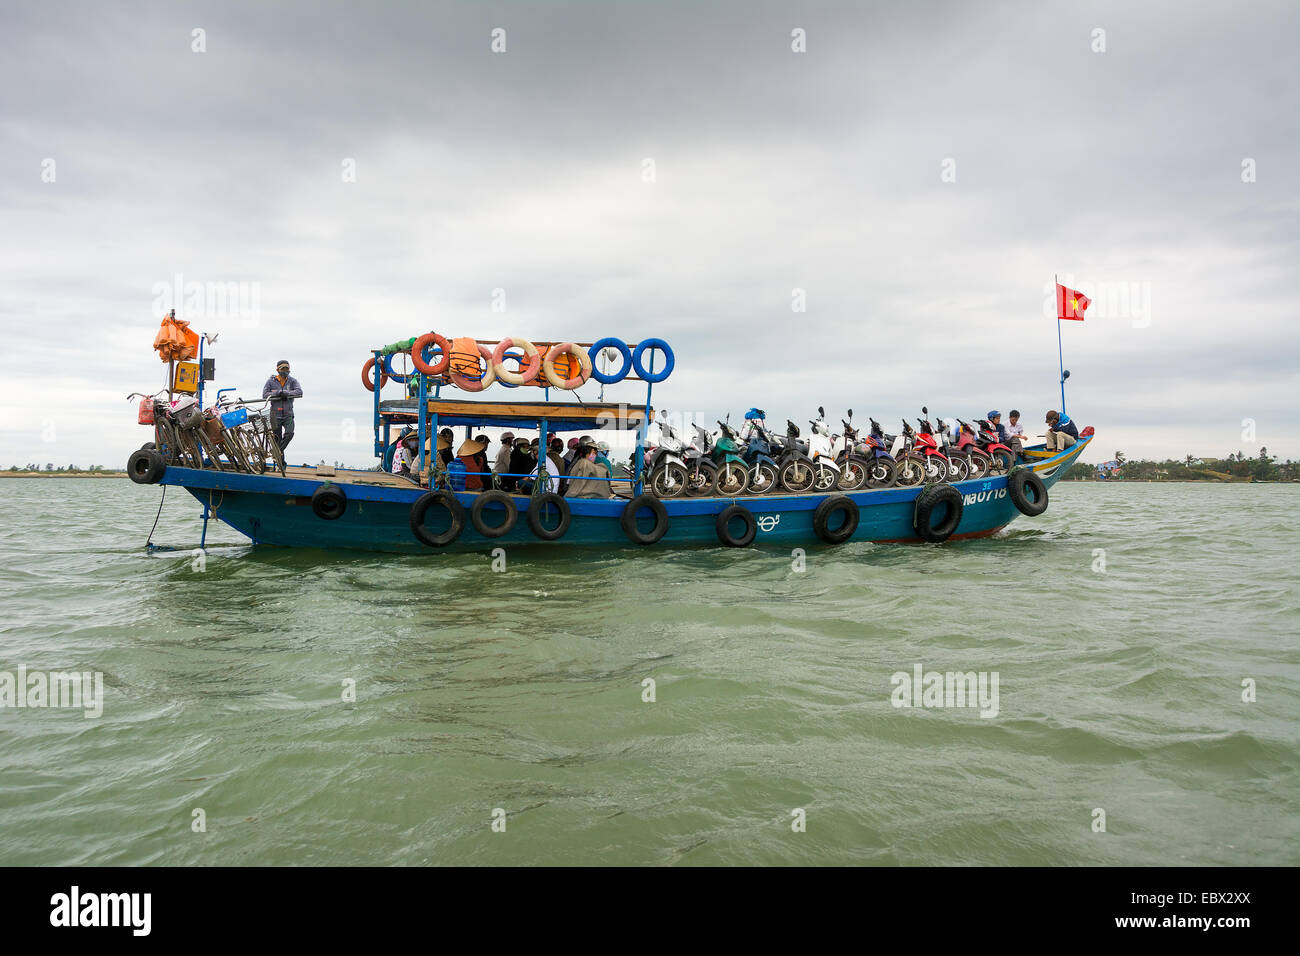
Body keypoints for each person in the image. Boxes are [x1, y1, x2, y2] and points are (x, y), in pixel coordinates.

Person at [262, 360, 303, 454]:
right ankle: (281, 463)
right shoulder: (270, 381)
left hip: (288, 414)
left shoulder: (292, 381)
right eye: (283, 369)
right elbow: (264, 395)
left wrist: (287, 393)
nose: (285, 371)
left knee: (289, 433)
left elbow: (299, 391)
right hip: (275, 415)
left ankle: (278, 451)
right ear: (277, 370)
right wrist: (277, 393)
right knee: (277, 439)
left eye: (287, 369)